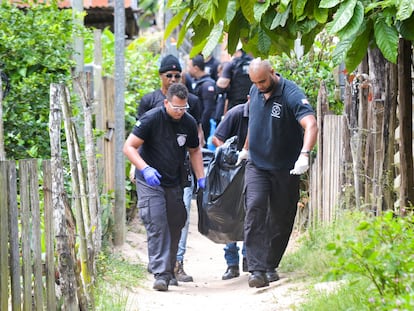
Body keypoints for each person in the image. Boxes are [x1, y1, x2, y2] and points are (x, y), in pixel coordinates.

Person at [238, 58, 318, 288]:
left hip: (285, 168)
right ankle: (256, 269)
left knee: (282, 218)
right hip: (257, 164)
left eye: (263, 81)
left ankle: (270, 264)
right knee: (254, 208)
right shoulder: (254, 90)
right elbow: (254, 120)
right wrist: (245, 149)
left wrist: (304, 154)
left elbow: (311, 124)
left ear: (273, 72)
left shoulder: (291, 93)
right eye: (255, 82)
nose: (259, 85)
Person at [123, 83, 206, 291]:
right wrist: (144, 168)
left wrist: (201, 177)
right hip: (150, 180)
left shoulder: (188, 122)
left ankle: (169, 270)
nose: (180, 112)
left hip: (174, 180)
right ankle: (160, 273)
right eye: (176, 107)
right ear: (166, 102)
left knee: (176, 221)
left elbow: (195, 150)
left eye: (183, 108)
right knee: (157, 220)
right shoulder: (151, 119)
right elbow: (129, 146)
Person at [211, 102, 249, 280]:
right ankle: (232, 264)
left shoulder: (265, 112)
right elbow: (216, 139)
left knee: (253, 212)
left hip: (253, 170)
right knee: (230, 216)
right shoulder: (236, 113)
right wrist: (230, 156)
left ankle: (249, 258)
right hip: (230, 172)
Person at [187, 54, 217, 144]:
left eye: (189, 66)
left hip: (204, 126)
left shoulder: (207, 85)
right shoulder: (197, 82)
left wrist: (201, 129)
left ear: (195, 68)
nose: (188, 69)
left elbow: (208, 110)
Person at [216, 49, 253, 113]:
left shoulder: (231, 64)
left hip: (235, 104)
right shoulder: (254, 63)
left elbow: (221, 86)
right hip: (252, 103)